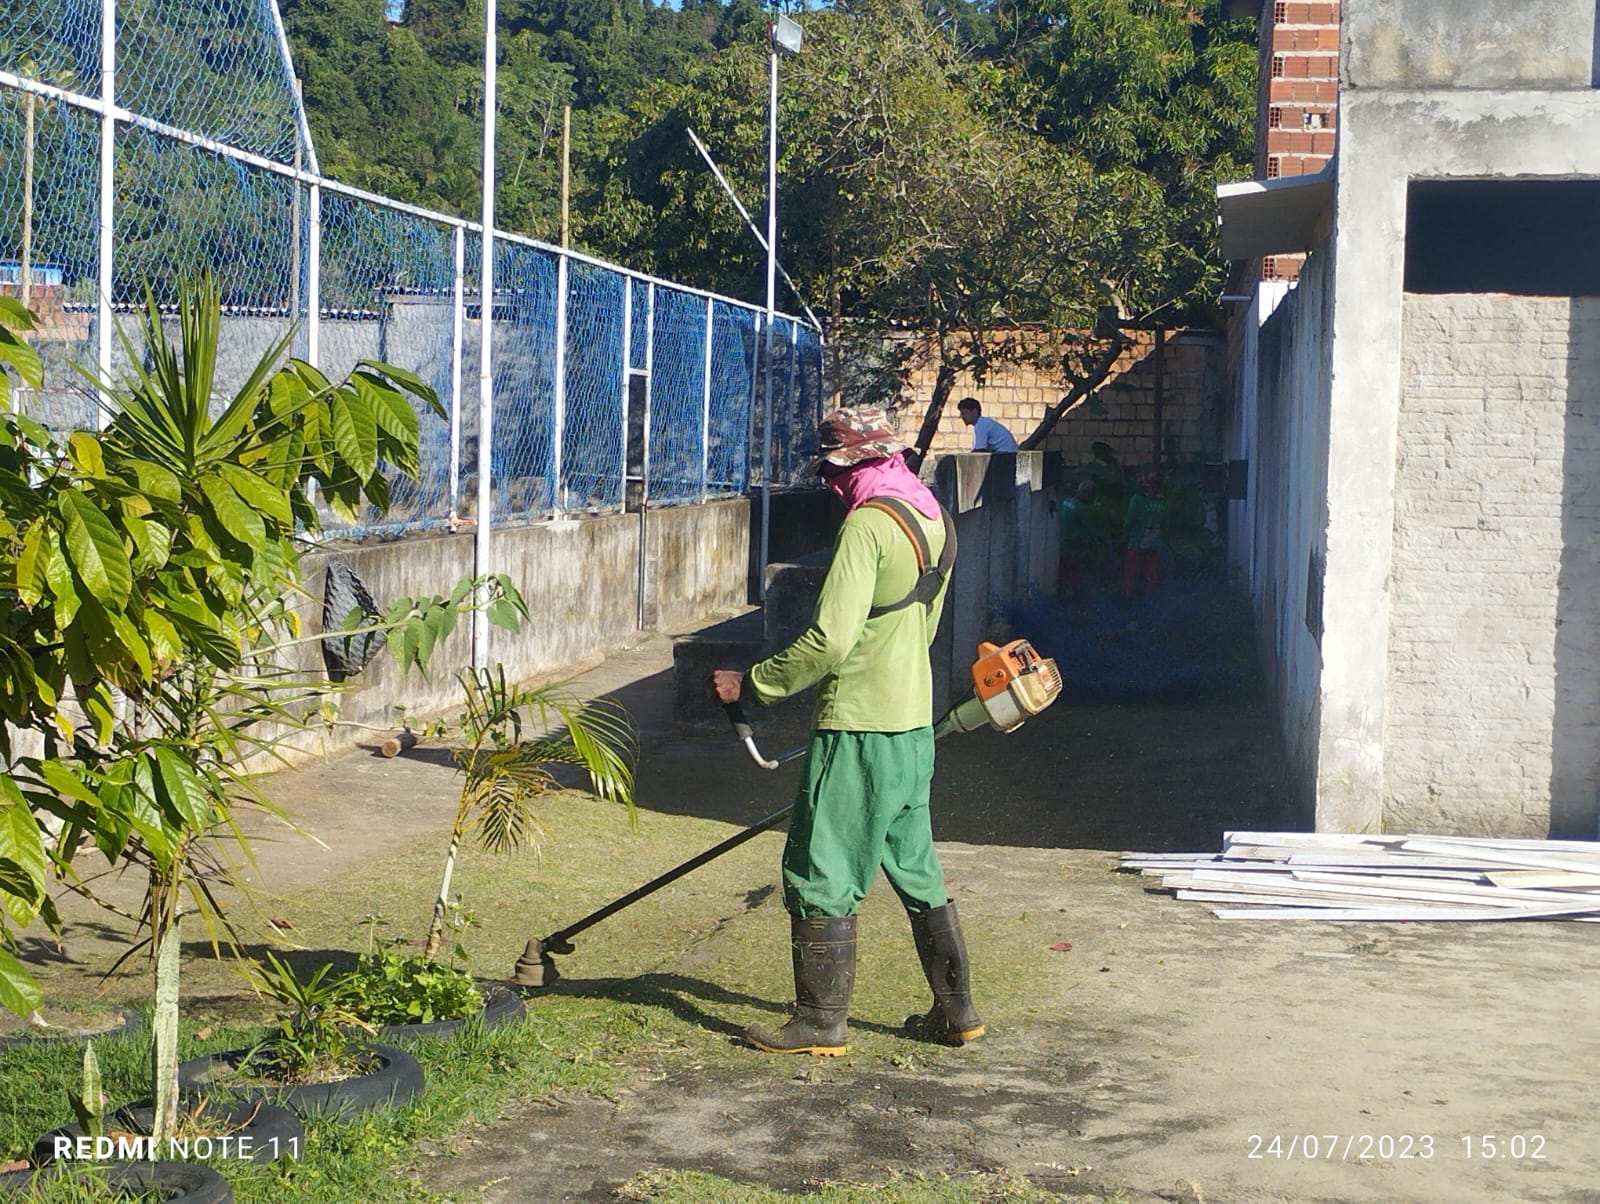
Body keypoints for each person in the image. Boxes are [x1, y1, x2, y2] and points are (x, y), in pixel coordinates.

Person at [710, 405, 983, 1056]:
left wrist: (753, 684)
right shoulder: (935, 518)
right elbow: (918, 624)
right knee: (917, 868)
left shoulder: (866, 526)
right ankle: (958, 1012)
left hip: (858, 722)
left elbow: (830, 641)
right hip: (912, 722)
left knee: (821, 866)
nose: (831, 486)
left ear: (849, 465)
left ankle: (819, 1022)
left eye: (833, 472)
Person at [1122, 471, 1167, 601]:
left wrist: (1123, 538)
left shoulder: (1137, 500)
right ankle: (1149, 603)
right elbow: (1167, 525)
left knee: (1130, 577)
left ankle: (1128, 602)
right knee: (1150, 577)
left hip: (1136, 546)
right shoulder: (1164, 503)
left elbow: (1129, 521)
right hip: (1154, 547)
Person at [1058, 479, 1100, 596]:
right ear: (1087, 494)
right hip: (1070, 548)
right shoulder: (1080, 509)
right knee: (1072, 575)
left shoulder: (1066, 501)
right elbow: (1091, 530)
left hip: (1059, 544)